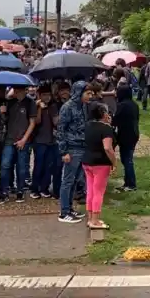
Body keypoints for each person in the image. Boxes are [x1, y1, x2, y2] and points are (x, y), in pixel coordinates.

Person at [58, 81, 91, 223]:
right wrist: (63, 151)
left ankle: (70, 208)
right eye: (87, 93)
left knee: (75, 180)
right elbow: (61, 129)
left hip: (81, 146)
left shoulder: (83, 106)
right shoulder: (67, 107)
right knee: (68, 180)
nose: (90, 96)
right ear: (79, 92)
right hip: (71, 148)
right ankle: (64, 211)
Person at [81, 102, 117, 230]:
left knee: (90, 190)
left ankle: (90, 218)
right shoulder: (106, 129)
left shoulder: (88, 126)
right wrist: (114, 162)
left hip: (87, 161)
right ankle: (95, 221)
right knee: (98, 192)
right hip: (100, 163)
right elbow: (108, 148)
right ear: (103, 113)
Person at [0, 86, 37, 203]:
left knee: (21, 167)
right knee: (5, 165)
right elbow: (4, 121)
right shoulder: (9, 102)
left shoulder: (30, 103)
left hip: (23, 139)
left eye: (19, 90)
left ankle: (20, 190)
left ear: (24, 91)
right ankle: (4, 190)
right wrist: (2, 113)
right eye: (15, 90)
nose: (16, 92)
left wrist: (24, 139)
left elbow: (32, 123)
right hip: (9, 139)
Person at [30, 85, 60, 199]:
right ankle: (35, 188)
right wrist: (39, 108)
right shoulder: (36, 105)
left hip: (51, 140)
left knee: (49, 166)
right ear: (39, 95)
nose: (47, 97)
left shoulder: (53, 106)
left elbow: (56, 122)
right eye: (44, 95)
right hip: (39, 141)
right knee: (39, 165)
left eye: (48, 95)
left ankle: (44, 187)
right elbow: (36, 121)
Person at [112, 85, 139, 191]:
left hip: (125, 135)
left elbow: (115, 121)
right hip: (134, 133)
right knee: (127, 159)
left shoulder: (122, 105)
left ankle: (131, 184)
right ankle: (127, 182)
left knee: (127, 160)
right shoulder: (134, 104)